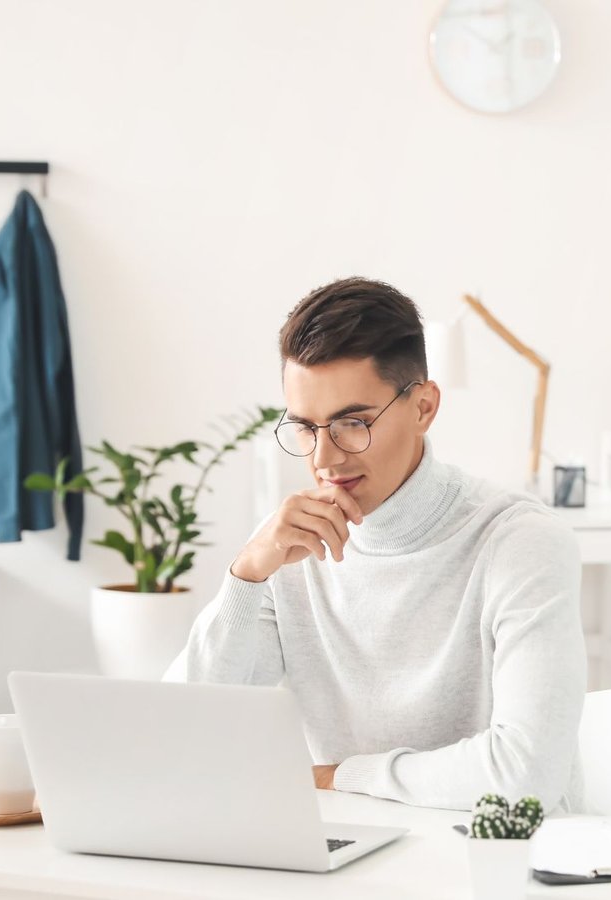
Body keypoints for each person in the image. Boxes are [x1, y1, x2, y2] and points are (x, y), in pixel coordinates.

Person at [167, 277, 585, 812]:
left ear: (424, 407)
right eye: (304, 427)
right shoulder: (290, 548)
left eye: (352, 422)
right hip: (354, 861)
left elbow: (525, 776)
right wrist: (246, 575)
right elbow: (184, 730)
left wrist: (340, 777)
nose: (323, 458)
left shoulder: (520, 542)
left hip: (506, 865)